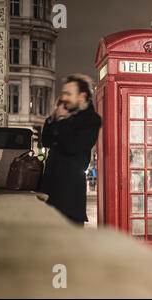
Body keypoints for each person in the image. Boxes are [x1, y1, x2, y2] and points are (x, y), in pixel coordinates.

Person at [40, 74, 102, 226]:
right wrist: (51, 118)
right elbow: (46, 141)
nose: (64, 97)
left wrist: (60, 120)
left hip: (69, 199)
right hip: (49, 193)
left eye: (68, 94)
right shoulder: (66, 115)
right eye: (64, 93)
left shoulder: (91, 120)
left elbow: (72, 147)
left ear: (82, 96)